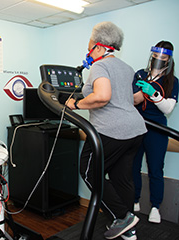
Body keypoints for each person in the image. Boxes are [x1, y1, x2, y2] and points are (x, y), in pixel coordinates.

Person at [66, 21, 147, 240]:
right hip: (136, 130)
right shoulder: (127, 68)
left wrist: (75, 104)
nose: (88, 51)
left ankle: (123, 217)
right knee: (122, 179)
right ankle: (128, 230)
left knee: (89, 172)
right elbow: (135, 98)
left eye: (90, 46)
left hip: (111, 131)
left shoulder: (100, 66)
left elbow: (102, 96)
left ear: (100, 47)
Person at [132, 41, 178, 223]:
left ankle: (155, 207)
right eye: (156, 57)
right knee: (133, 166)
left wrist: (154, 94)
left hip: (157, 130)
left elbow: (167, 108)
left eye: (163, 58)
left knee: (155, 169)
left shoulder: (172, 82)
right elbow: (132, 99)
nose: (158, 60)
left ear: (169, 60)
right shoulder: (140, 74)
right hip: (136, 127)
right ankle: (134, 201)